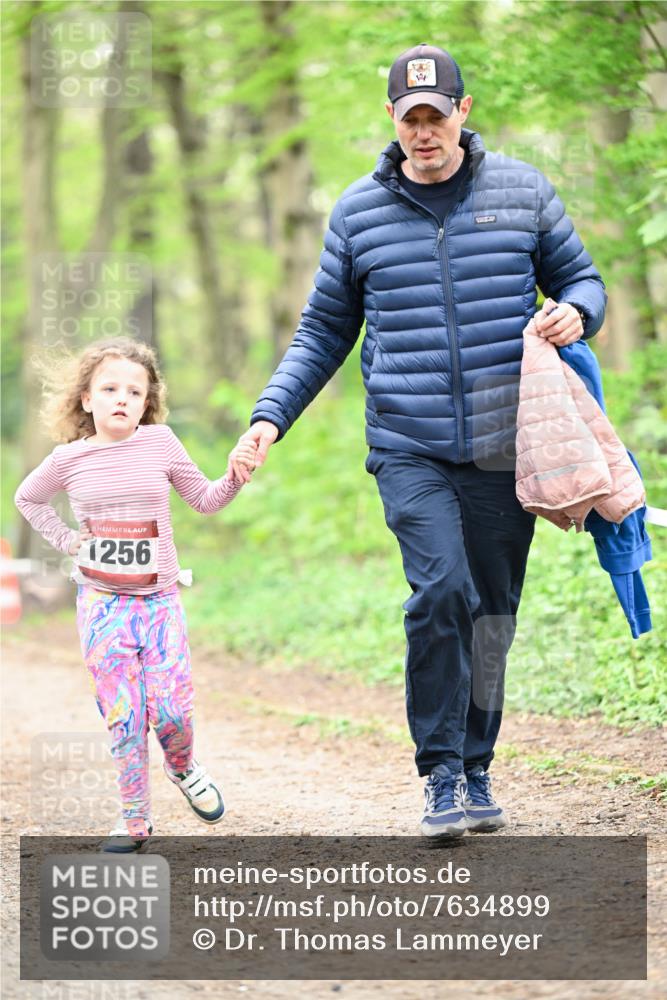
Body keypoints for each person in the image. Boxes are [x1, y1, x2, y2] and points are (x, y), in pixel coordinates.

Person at [229, 44, 606, 838]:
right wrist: (269, 417)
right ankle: (438, 771)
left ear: (463, 114)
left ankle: (476, 766)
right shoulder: (357, 213)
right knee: (441, 591)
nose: (424, 132)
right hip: (408, 443)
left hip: (508, 445)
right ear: (393, 120)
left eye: (437, 116)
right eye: (411, 119)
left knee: (492, 612)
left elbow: (583, 278)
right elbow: (322, 331)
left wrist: (579, 310)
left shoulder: (523, 191)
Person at [15, 337, 257, 852]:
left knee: (171, 711)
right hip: (102, 605)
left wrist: (235, 474)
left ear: (148, 403)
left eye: (134, 391)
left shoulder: (161, 443)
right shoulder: (67, 460)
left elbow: (206, 499)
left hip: (159, 602)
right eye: (109, 388)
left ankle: (184, 768)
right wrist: (67, 540)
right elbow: (27, 498)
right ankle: (133, 819)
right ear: (86, 399)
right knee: (124, 714)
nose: (122, 398)